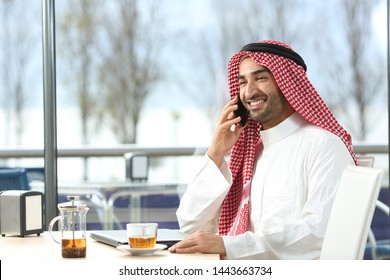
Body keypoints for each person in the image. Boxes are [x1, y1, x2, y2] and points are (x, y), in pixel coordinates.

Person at [168, 39, 357, 260]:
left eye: (260, 78)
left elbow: (318, 235)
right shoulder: (250, 153)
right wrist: (216, 154)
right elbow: (190, 223)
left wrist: (229, 245)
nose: (248, 92)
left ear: (289, 84)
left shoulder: (324, 146)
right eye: (242, 83)